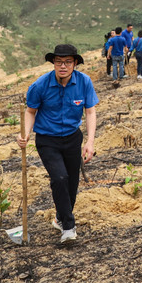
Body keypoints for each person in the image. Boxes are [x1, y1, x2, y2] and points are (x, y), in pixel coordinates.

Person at [17, 44, 98, 244]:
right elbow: (30, 111)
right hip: (47, 139)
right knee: (59, 178)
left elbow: (90, 111)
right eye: (59, 61)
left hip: (72, 137)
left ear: (75, 63)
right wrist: (25, 134)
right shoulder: (40, 85)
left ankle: (60, 217)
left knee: (71, 185)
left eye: (68, 61)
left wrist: (90, 141)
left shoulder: (84, 82)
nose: (63, 65)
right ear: (53, 62)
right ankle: (69, 228)